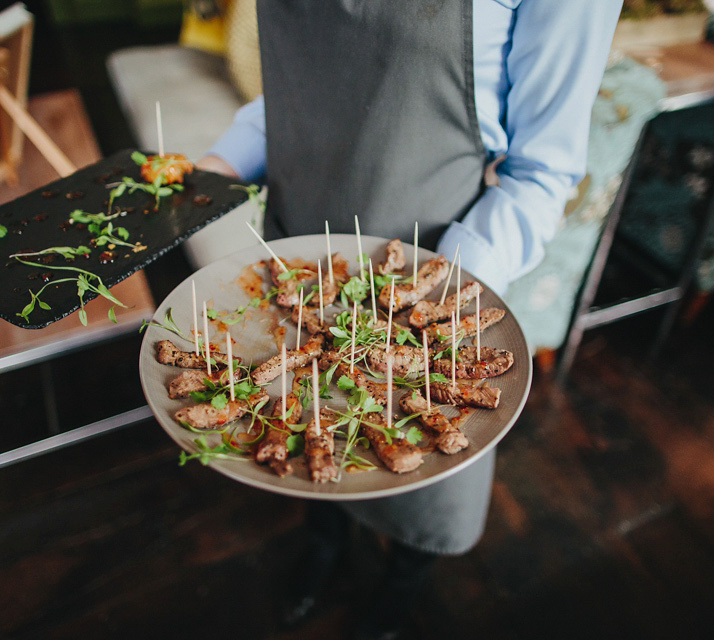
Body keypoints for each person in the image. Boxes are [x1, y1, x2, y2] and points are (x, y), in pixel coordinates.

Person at [196, 2, 623, 637]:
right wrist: (223, 163)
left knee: (419, 462)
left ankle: (404, 583)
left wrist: (435, 290)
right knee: (306, 429)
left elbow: (542, 171)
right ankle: (324, 543)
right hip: (295, 256)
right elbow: (302, 87)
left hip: (429, 282)